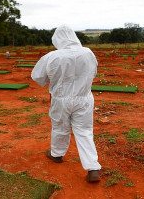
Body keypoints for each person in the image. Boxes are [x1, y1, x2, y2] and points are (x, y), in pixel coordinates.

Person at [31, 24, 101, 183]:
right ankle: (93, 168)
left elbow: (37, 77)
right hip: (84, 98)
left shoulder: (52, 56)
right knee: (84, 131)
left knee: (59, 127)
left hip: (61, 99)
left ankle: (56, 154)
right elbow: (94, 72)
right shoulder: (88, 53)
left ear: (57, 39)